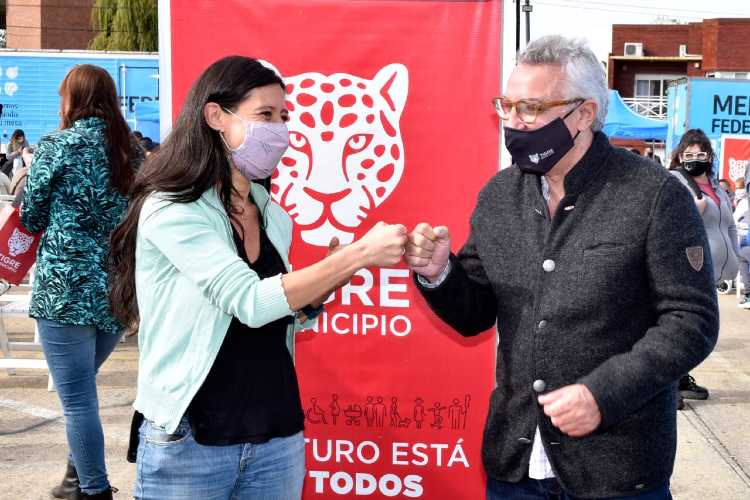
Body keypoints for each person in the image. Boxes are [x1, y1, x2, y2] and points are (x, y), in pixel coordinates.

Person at [406, 35, 718, 499]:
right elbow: (475, 313)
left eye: (531, 108)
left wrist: (603, 393)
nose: (513, 121)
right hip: (515, 468)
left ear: (584, 114)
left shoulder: (654, 195)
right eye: (507, 106)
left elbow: (691, 321)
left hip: (616, 471)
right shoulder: (499, 196)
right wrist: (439, 273)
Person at [107, 56, 406, 500]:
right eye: (265, 114)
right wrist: (356, 256)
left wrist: (329, 279)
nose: (280, 129)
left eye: (283, 116)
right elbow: (249, 302)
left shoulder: (272, 215)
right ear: (215, 116)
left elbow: (280, 316)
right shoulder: (172, 209)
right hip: (191, 440)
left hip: (275, 436)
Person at [20, 64, 143, 500]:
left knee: (77, 400)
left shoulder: (56, 145)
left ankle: (93, 489)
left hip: (64, 291)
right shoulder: (131, 150)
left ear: (72, 99)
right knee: (82, 391)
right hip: (116, 291)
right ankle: (76, 479)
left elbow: (31, 216)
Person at [668, 129, 740, 404]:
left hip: (711, 272)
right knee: (681, 328)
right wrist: (692, 212)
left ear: (709, 157)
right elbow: (665, 222)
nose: (695, 159)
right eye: (689, 154)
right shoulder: (674, 182)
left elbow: (729, 225)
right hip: (687, 270)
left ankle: (680, 377)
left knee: (698, 329)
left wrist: (734, 257)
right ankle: (669, 386)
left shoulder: (716, 186)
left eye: (701, 154)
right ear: (679, 156)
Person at [733, 177, 750, 308]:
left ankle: (748, 294)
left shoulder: (744, 202)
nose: (738, 191)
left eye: (739, 188)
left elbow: (734, 221)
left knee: (742, 256)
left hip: (744, 238)